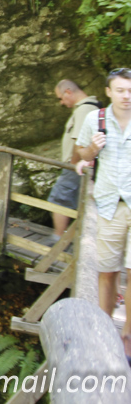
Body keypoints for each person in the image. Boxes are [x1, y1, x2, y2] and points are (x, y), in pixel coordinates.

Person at [73, 68, 131, 360]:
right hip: (109, 203)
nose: (126, 96)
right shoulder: (95, 119)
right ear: (109, 92)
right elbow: (80, 154)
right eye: (120, 90)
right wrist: (92, 150)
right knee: (107, 270)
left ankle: (127, 337)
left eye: (130, 91)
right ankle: (104, 330)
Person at [48, 79, 102, 241]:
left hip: (77, 165)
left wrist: (72, 164)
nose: (61, 103)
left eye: (61, 98)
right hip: (81, 165)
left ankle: (58, 239)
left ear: (68, 92)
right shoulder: (87, 108)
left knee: (59, 199)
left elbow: (79, 141)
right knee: (77, 202)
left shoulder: (85, 109)